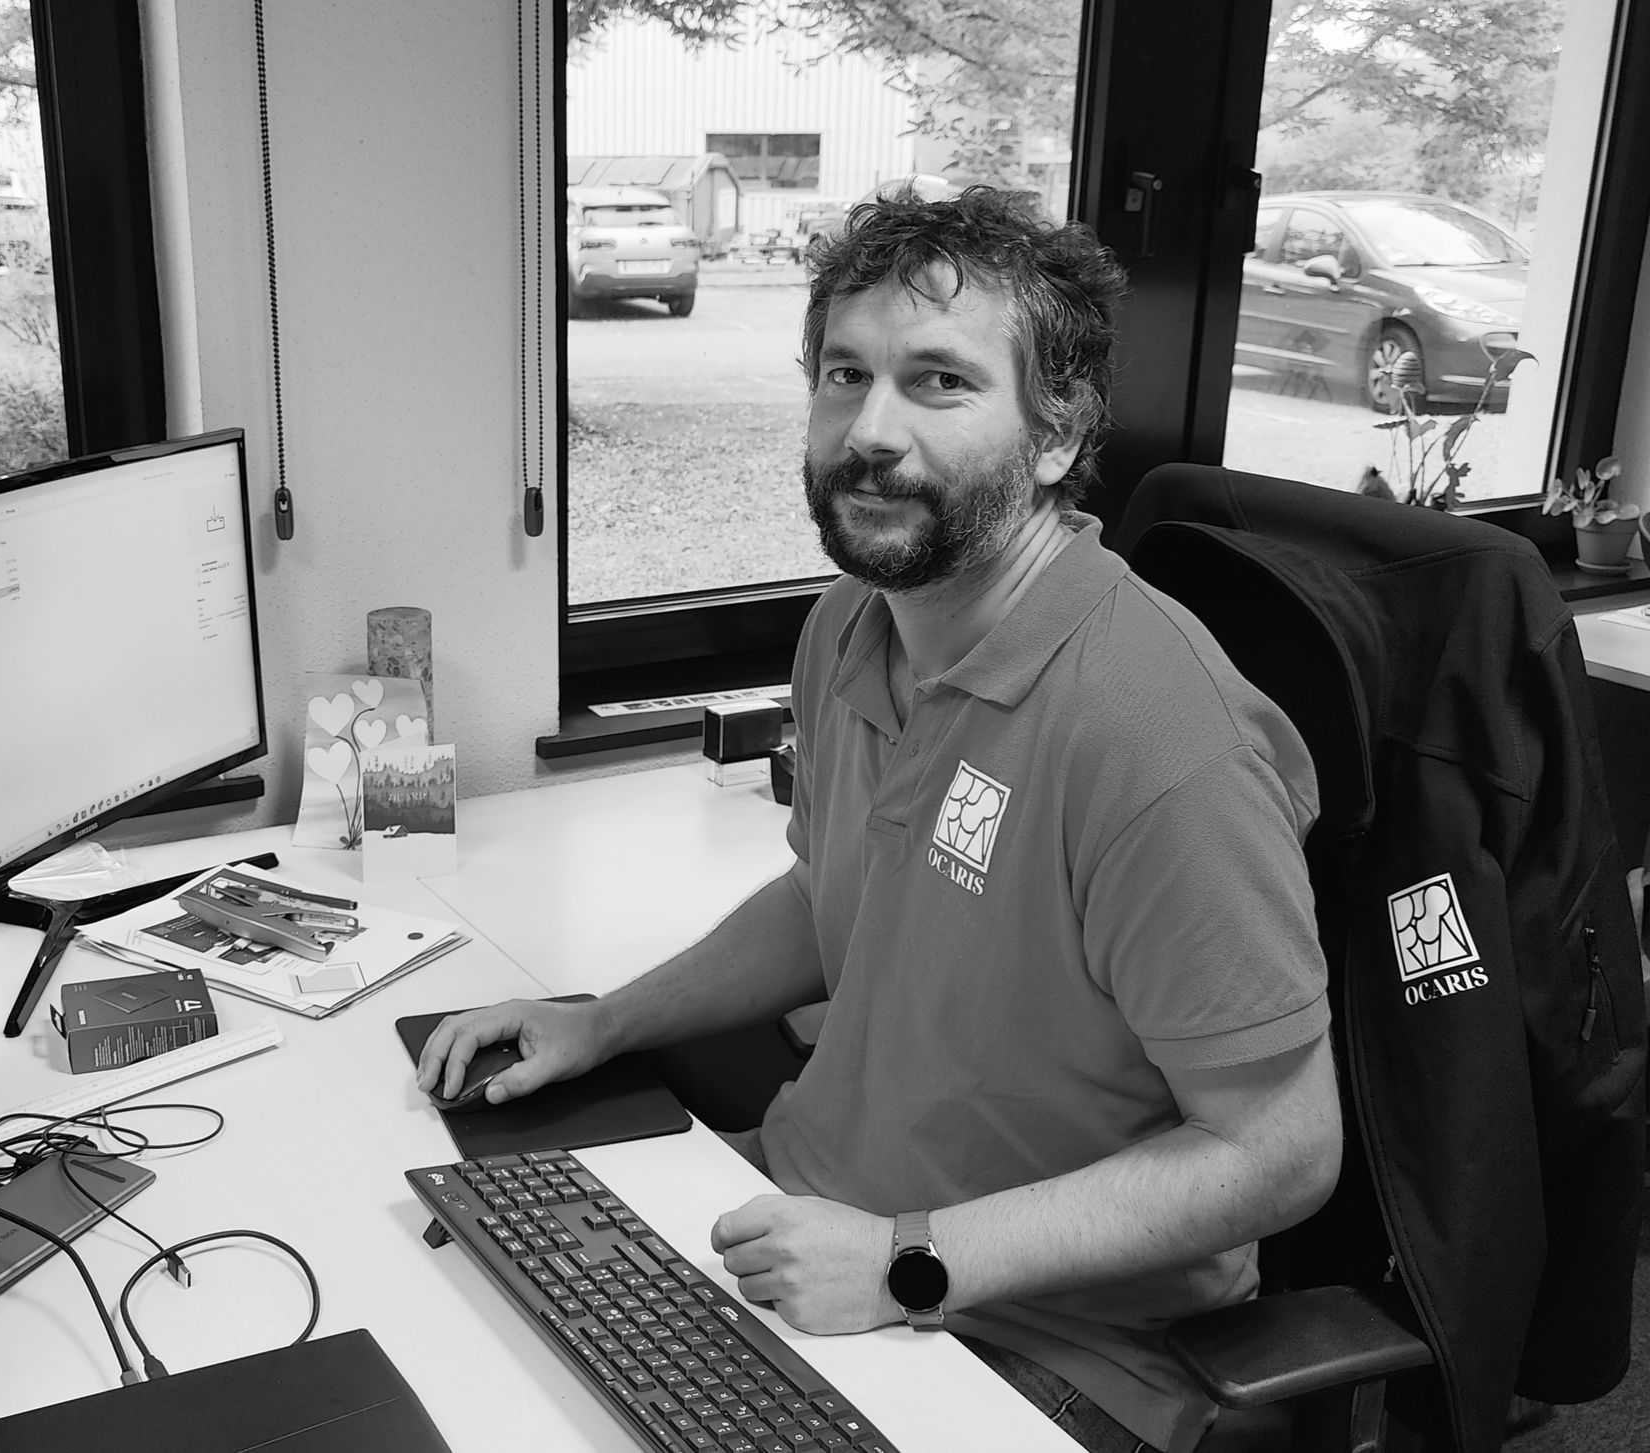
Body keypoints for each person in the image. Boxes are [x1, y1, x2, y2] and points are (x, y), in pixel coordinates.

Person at [418, 186, 1341, 1453]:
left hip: (1046, 1345)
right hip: (806, 1228)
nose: (869, 432)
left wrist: (909, 1260)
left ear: (1058, 435)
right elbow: (832, 897)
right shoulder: (852, 625)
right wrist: (603, 1021)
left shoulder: (1158, 737)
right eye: (844, 375)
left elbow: (1281, 1151)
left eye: (939, 383)